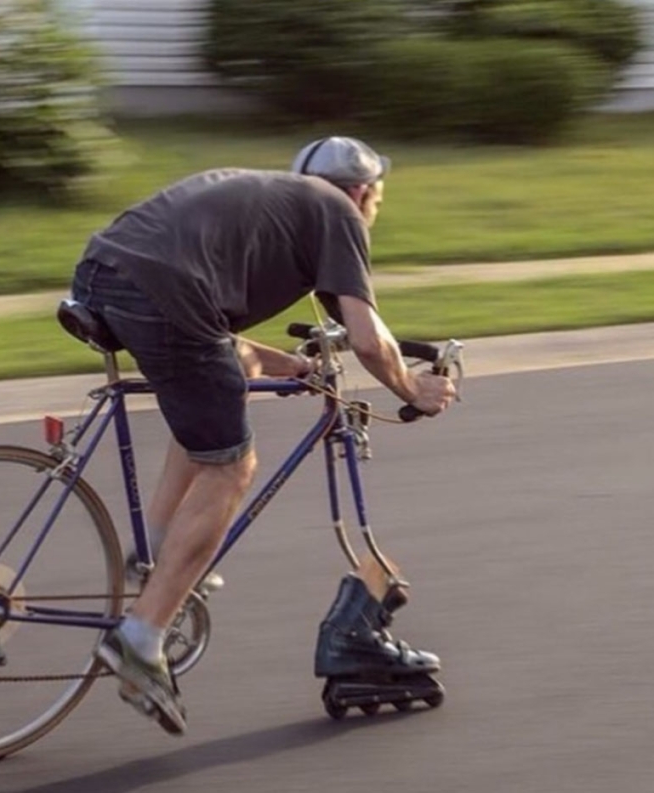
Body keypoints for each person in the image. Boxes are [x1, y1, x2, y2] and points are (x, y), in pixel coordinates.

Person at [69, 136, 456, 735]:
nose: (373, 209)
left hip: (103, 272)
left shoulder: (273, 202)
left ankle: (156, 553)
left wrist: (288, 365)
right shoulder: (338, 211)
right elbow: (368, 339)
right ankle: (139, 642)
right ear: (361, 191)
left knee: (206, 412)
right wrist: (413, 388)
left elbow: (219, 342)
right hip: (163, 294)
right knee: (231, 465)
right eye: (377, 199)